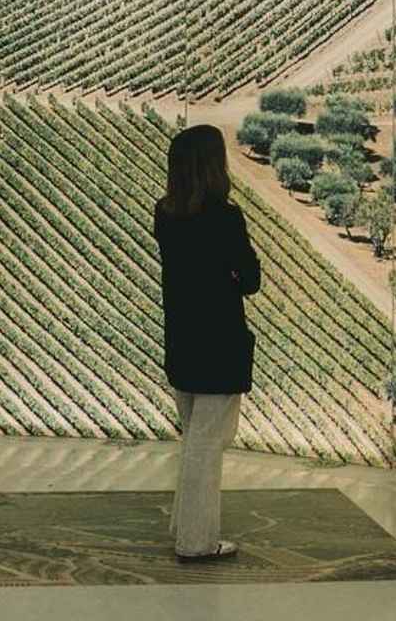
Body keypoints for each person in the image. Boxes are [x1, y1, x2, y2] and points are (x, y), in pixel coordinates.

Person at [153, 123, 262, 563]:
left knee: (194, 441)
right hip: (220, 343)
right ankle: (196, 541)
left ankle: (185, 526)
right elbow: (250, 279)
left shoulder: (165, 214)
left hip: (182, 339)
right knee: (207, 445)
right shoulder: (226, 218)